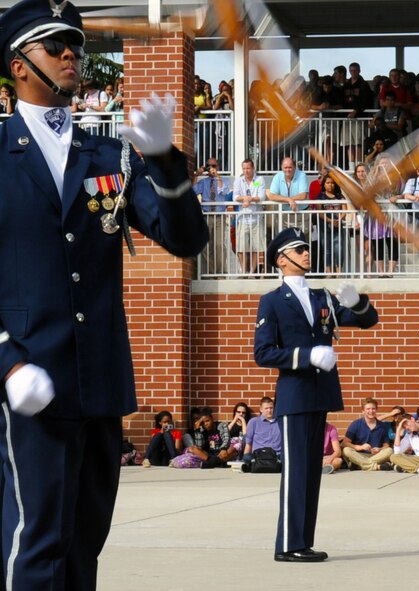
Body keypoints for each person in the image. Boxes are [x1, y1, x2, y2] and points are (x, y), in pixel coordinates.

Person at [0, 0, 208, 587]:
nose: (72, 56)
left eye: (77, 47)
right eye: (55, 47)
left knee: (83, 546)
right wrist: (8, 363)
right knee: (34, 543)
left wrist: (165, 160)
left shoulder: (109, 154)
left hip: (100, 381)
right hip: (29, 382)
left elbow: (186, 238)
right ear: (19, 64)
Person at [254, 227, 378, 562]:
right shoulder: (273, 301)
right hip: (294, 395)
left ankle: (302, 541)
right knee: (296, 471)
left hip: (320, 392)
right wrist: (305, 356)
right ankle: (288, 545)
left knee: (311, 472)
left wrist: (358, 302)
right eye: (299, 250)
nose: (307, 253)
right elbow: (263, 353)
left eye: (307, 248)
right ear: (282, 260)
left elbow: (370, 321)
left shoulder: (322, 296)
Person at [193, 157, 232, 276]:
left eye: (214, 166)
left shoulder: (224, 180)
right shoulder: (203, 182)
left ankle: (220, 272)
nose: (211, 168)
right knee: (205, 247)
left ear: (218, 167)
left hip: (219, 216)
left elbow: (223, 191)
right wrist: (196, 175)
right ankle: (212, 271)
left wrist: (217, 176)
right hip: (206, 216)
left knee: (219, 245)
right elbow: (193, 191)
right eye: (209, 166)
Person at [232, 158, 266, 274]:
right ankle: (243, 272)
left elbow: (261, 196)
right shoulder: (239, 180)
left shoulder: (258, 180)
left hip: (256, 217)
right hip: (242, 218)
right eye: (244, 168)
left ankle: (252, 272)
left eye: (248, 168)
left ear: (253, 168)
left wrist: (250, 199)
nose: (246, 171)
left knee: (256, 247)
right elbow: (235, 197)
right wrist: (245, 199)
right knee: (241, 247)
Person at [342, 398, 394, 470]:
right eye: (368, 409)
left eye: (373, 409)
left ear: (376, 410)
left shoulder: (382, 426)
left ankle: (359, 465)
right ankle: (376, 467)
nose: (371, 411)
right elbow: (345, 443)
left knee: (389, 451)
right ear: (363, 411)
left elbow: (386, 445)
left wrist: (379, 449)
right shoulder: (355, 424)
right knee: (346, 450)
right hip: (358, 454)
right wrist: (360, 447)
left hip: (376, 456)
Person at [242, 396, 281, 463]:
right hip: (259, 455)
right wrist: (245, 459)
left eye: (271, 408)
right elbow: (248, 443)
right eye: (266, 408)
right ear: (261, 409)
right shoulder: (253, 422)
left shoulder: (280, 422)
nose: (269, 410)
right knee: (246, 457)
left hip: (276, 455)